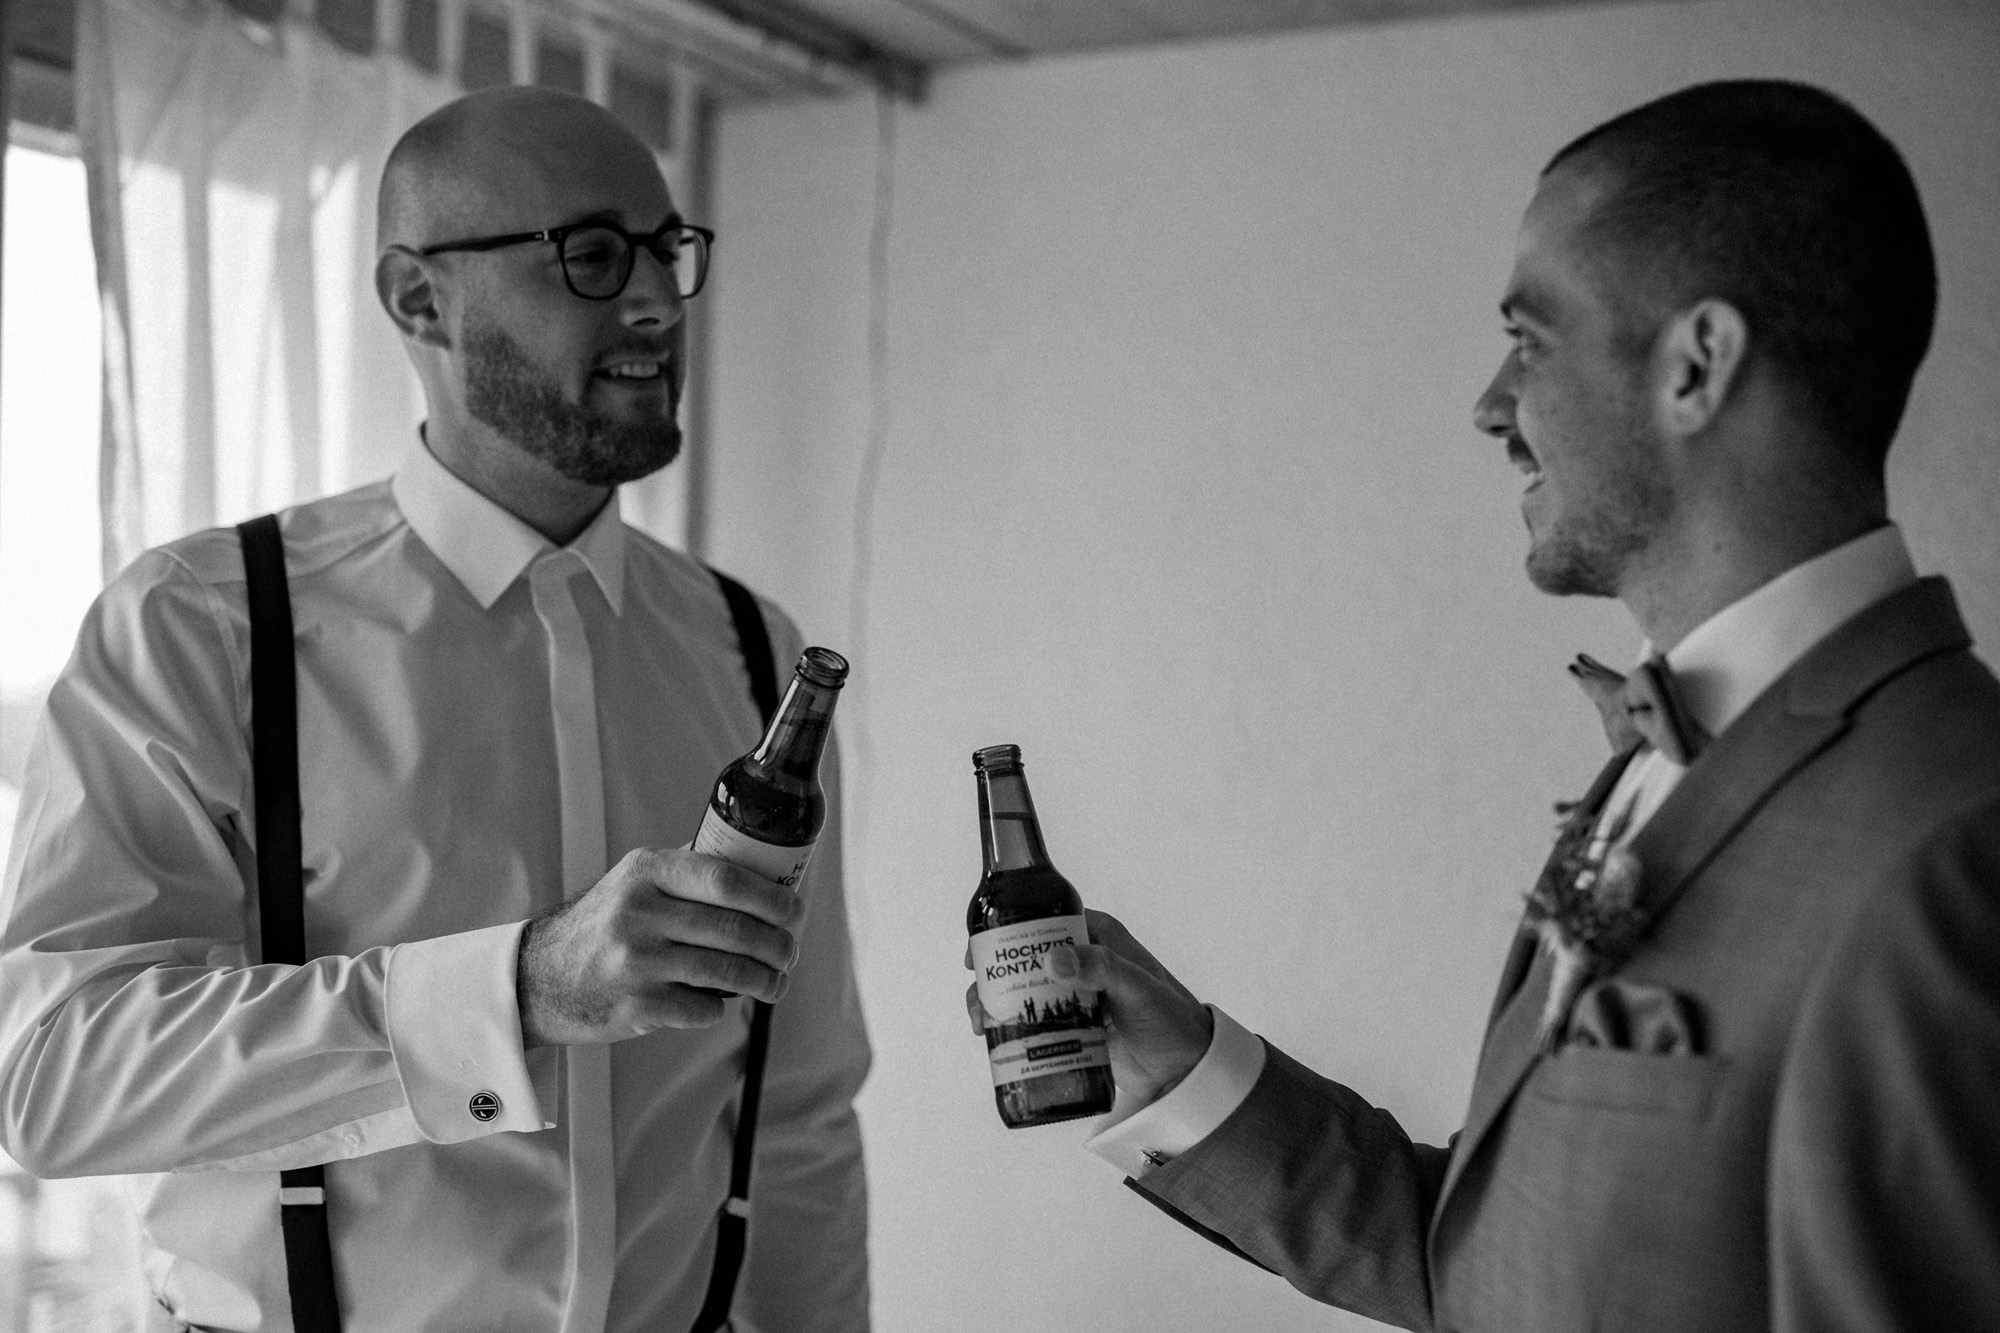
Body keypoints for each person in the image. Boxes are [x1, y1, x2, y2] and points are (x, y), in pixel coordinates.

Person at [973, 80, 2000, 1331]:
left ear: (1695, 365)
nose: (1489, 405)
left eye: (1530, 339)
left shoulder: (1950, 844)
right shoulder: (1664, 753)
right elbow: (1496, 1275)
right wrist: (1183, 1067)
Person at [0, 87, 869, 1330]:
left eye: (666, 250)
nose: (654, 301)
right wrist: (515, 992)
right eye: (591, 254)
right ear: (418, 298)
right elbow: (55, 1073)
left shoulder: (750, 648)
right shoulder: (202, 623)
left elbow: (796, 1113)